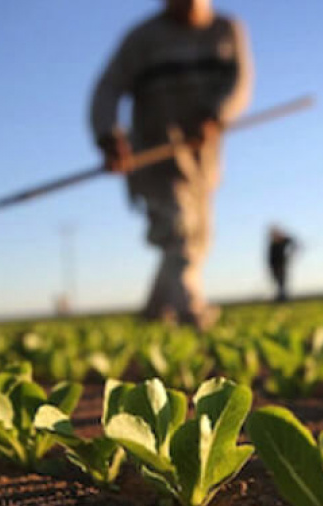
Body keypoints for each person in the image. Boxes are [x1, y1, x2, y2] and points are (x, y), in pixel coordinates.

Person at [90, 0, 253, 329]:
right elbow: (107, 89)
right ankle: (191, 313)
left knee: (199, 238)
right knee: (179, 231)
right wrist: (108, 135)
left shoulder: (226, 30)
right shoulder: (142, 38)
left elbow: (239, 82)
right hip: (154, 156)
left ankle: (154, 312)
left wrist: (215, 116)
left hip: (202, 160)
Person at [267, 226, 298, 302]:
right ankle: (281, 297)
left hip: (281, 265)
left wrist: (291, 253)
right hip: (274, 266)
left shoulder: (283, 241)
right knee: (278, 282)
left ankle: (283, 298)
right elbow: (270, 257)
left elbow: (293, 242)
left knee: (282, 282)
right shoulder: (272, 244)